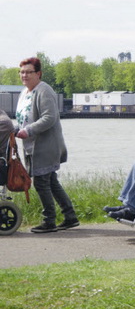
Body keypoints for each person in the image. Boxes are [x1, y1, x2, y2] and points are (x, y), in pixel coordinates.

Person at [15, 57, 78, 233]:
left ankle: (49, 221)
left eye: (29, 72)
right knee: (51, 182)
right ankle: (70, 216)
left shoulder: (44, 90)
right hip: (30, 146)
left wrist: (28, 130)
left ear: (38, 73)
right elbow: (23, 117)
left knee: (41, 183)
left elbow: (49, 117)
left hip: (45, 146)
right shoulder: (24, 92)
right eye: (22, 72)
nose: (24, 75)